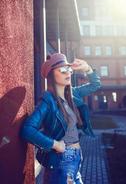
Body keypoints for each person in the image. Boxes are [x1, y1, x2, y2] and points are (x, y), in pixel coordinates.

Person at [20, 53, 101, 184]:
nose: (68, 73)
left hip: (76, 158)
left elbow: (95, 85)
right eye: (63, 70)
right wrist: (55, 144)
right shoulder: (47, 102)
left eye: (69, 69)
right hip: (61, 161)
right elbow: (27, 130)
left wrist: (87, 69)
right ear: (51, 75)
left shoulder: (73, 94)